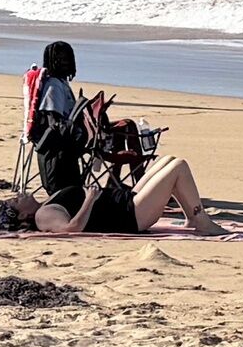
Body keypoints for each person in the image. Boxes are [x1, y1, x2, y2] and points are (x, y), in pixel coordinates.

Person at [16, 38, 221, 235]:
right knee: (179, 166)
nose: (17, 196)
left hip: (125, 200)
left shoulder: (48, 204)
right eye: (15, 202)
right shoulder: (43, 216)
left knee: (168, 160)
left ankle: (189, 216)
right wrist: (89, 198)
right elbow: (71, 229)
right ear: (23, 215)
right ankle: (199, 220)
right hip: (130, 214)